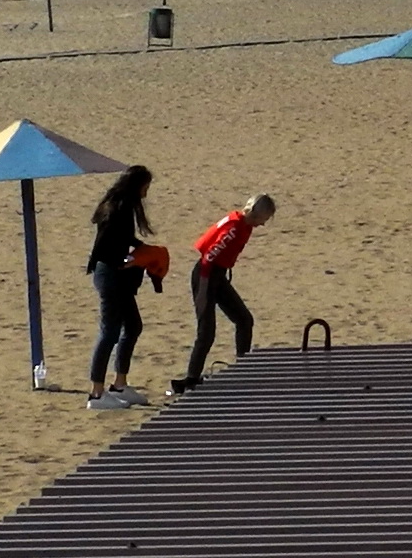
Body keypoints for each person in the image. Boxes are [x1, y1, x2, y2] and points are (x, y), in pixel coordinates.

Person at [172, 193, 275, 392]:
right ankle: (191, 379)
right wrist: (202, 292)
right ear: (256, 214)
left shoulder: (244, 224)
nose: (263, 224)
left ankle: (243, 367)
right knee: (206, 332)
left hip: (218, 276)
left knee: (244, 320)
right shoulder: (234, 228)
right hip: (206, 276)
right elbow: (208, 258)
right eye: (264, 219)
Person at [83, 167, 164, 408]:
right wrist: (127, 262)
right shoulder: (118, 207)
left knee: (133, 326)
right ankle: (96, 394)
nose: (146, 192)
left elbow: (123, 238)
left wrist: (143, 249)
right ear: (137, 185)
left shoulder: (121, 205)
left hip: (115, 273)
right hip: (109, 274)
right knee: (109, 332)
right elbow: (105, 245)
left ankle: (119, 385)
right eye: (146, 186)